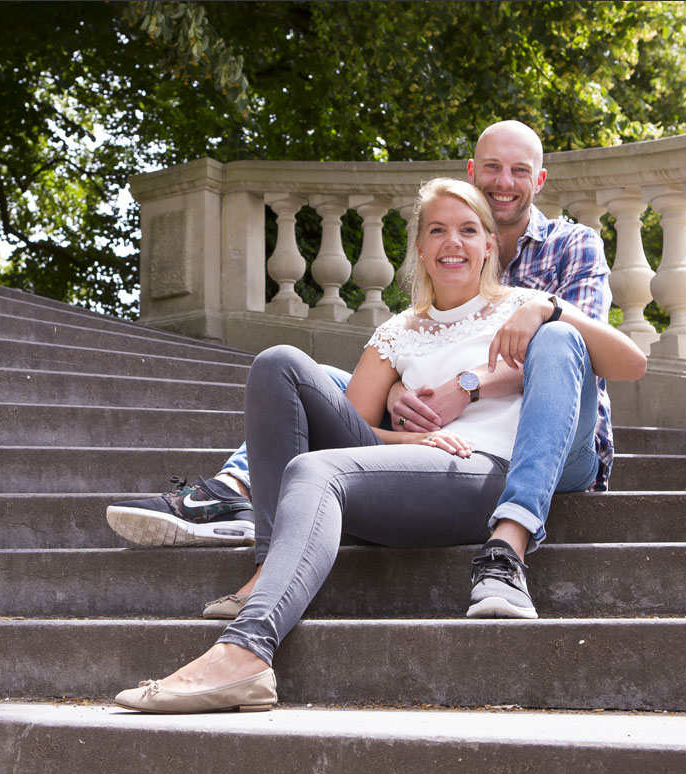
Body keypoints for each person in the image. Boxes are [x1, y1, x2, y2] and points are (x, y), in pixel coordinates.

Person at [114, 178, 646, 713]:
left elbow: (631, 364)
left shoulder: (525, 307)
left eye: (467, 230)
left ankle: (246, 651)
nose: (452, 243)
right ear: (419, 247)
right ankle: (267, 565)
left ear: (490, 243)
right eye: (437, 230)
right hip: (421, 469)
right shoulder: (398, 331)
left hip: (492, 472)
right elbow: (359, 430)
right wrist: (415, 436)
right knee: (279, 363)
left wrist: (550, 309)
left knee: (317, 471)